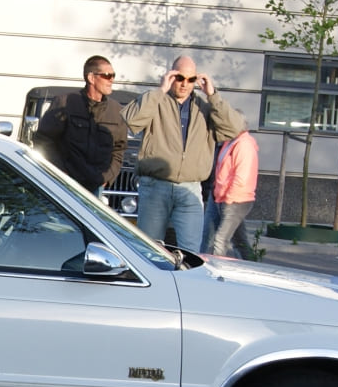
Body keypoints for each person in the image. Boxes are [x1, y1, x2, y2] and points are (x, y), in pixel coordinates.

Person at [122, 55, 245, 252]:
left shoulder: (205, 108)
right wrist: (160, 90)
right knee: (149, 251)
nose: (184, 84)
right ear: (171, 77)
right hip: (155, 186)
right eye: (180, 78)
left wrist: (213, 95)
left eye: (190, 79)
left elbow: (233, 128)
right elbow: (130, 119)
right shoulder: (157, 102)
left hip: (190, 189)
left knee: (191, 253)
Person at [32, 55, 128, 196]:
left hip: (97, 186)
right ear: (91, 78)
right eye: (107, 75)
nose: (112, 80)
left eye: (113, 75)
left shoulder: (116, 111)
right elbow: (43, 139)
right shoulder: (65, 103)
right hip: (65, 184)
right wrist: (60, 172)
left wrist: (107, 177)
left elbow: (119, 149)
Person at [203, 127, 258, 259]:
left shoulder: (244, 145)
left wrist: (228, 198)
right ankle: (250, 264)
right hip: (218, 196)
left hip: (235, 199)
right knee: (238, 240)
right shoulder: (229, 142)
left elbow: (241, 176)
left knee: (220, 240)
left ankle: (218, 272)